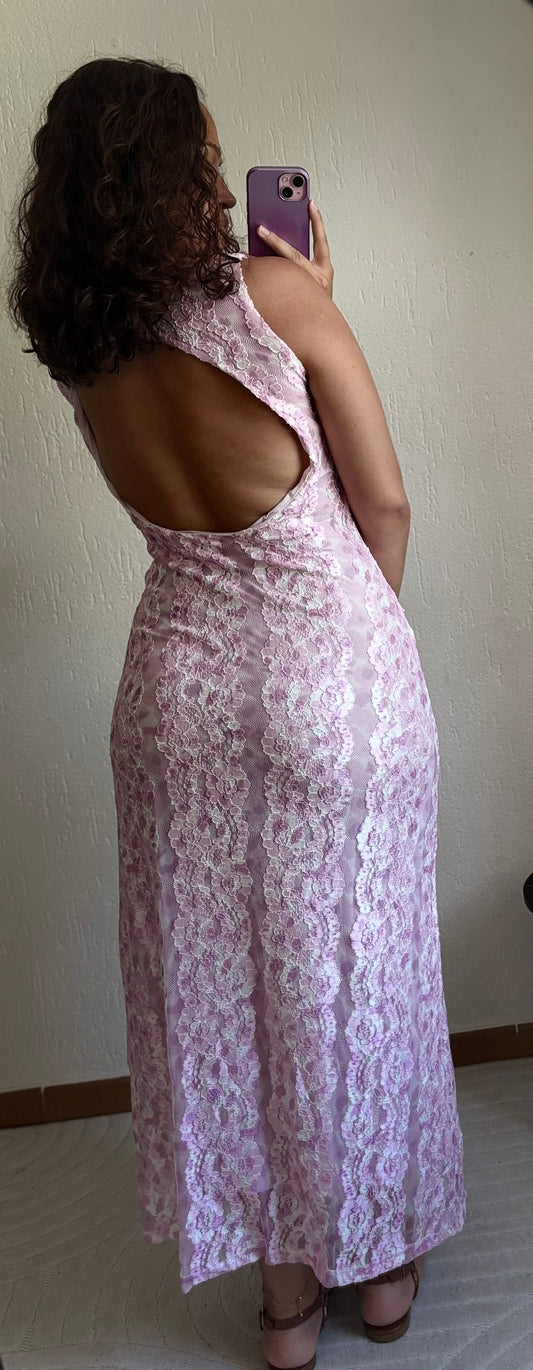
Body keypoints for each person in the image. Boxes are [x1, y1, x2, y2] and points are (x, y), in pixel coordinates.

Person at [7, 57, 466, 1370]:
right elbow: (383, 501)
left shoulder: (77, 336)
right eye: (207, 154)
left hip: (175, 694)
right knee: (354, 978)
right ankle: (379, 1276)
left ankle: (284, 1305)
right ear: (179, 168)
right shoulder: (273, 294)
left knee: (224, 997)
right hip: (321, 677)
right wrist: (315, 295)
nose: (221, 178)